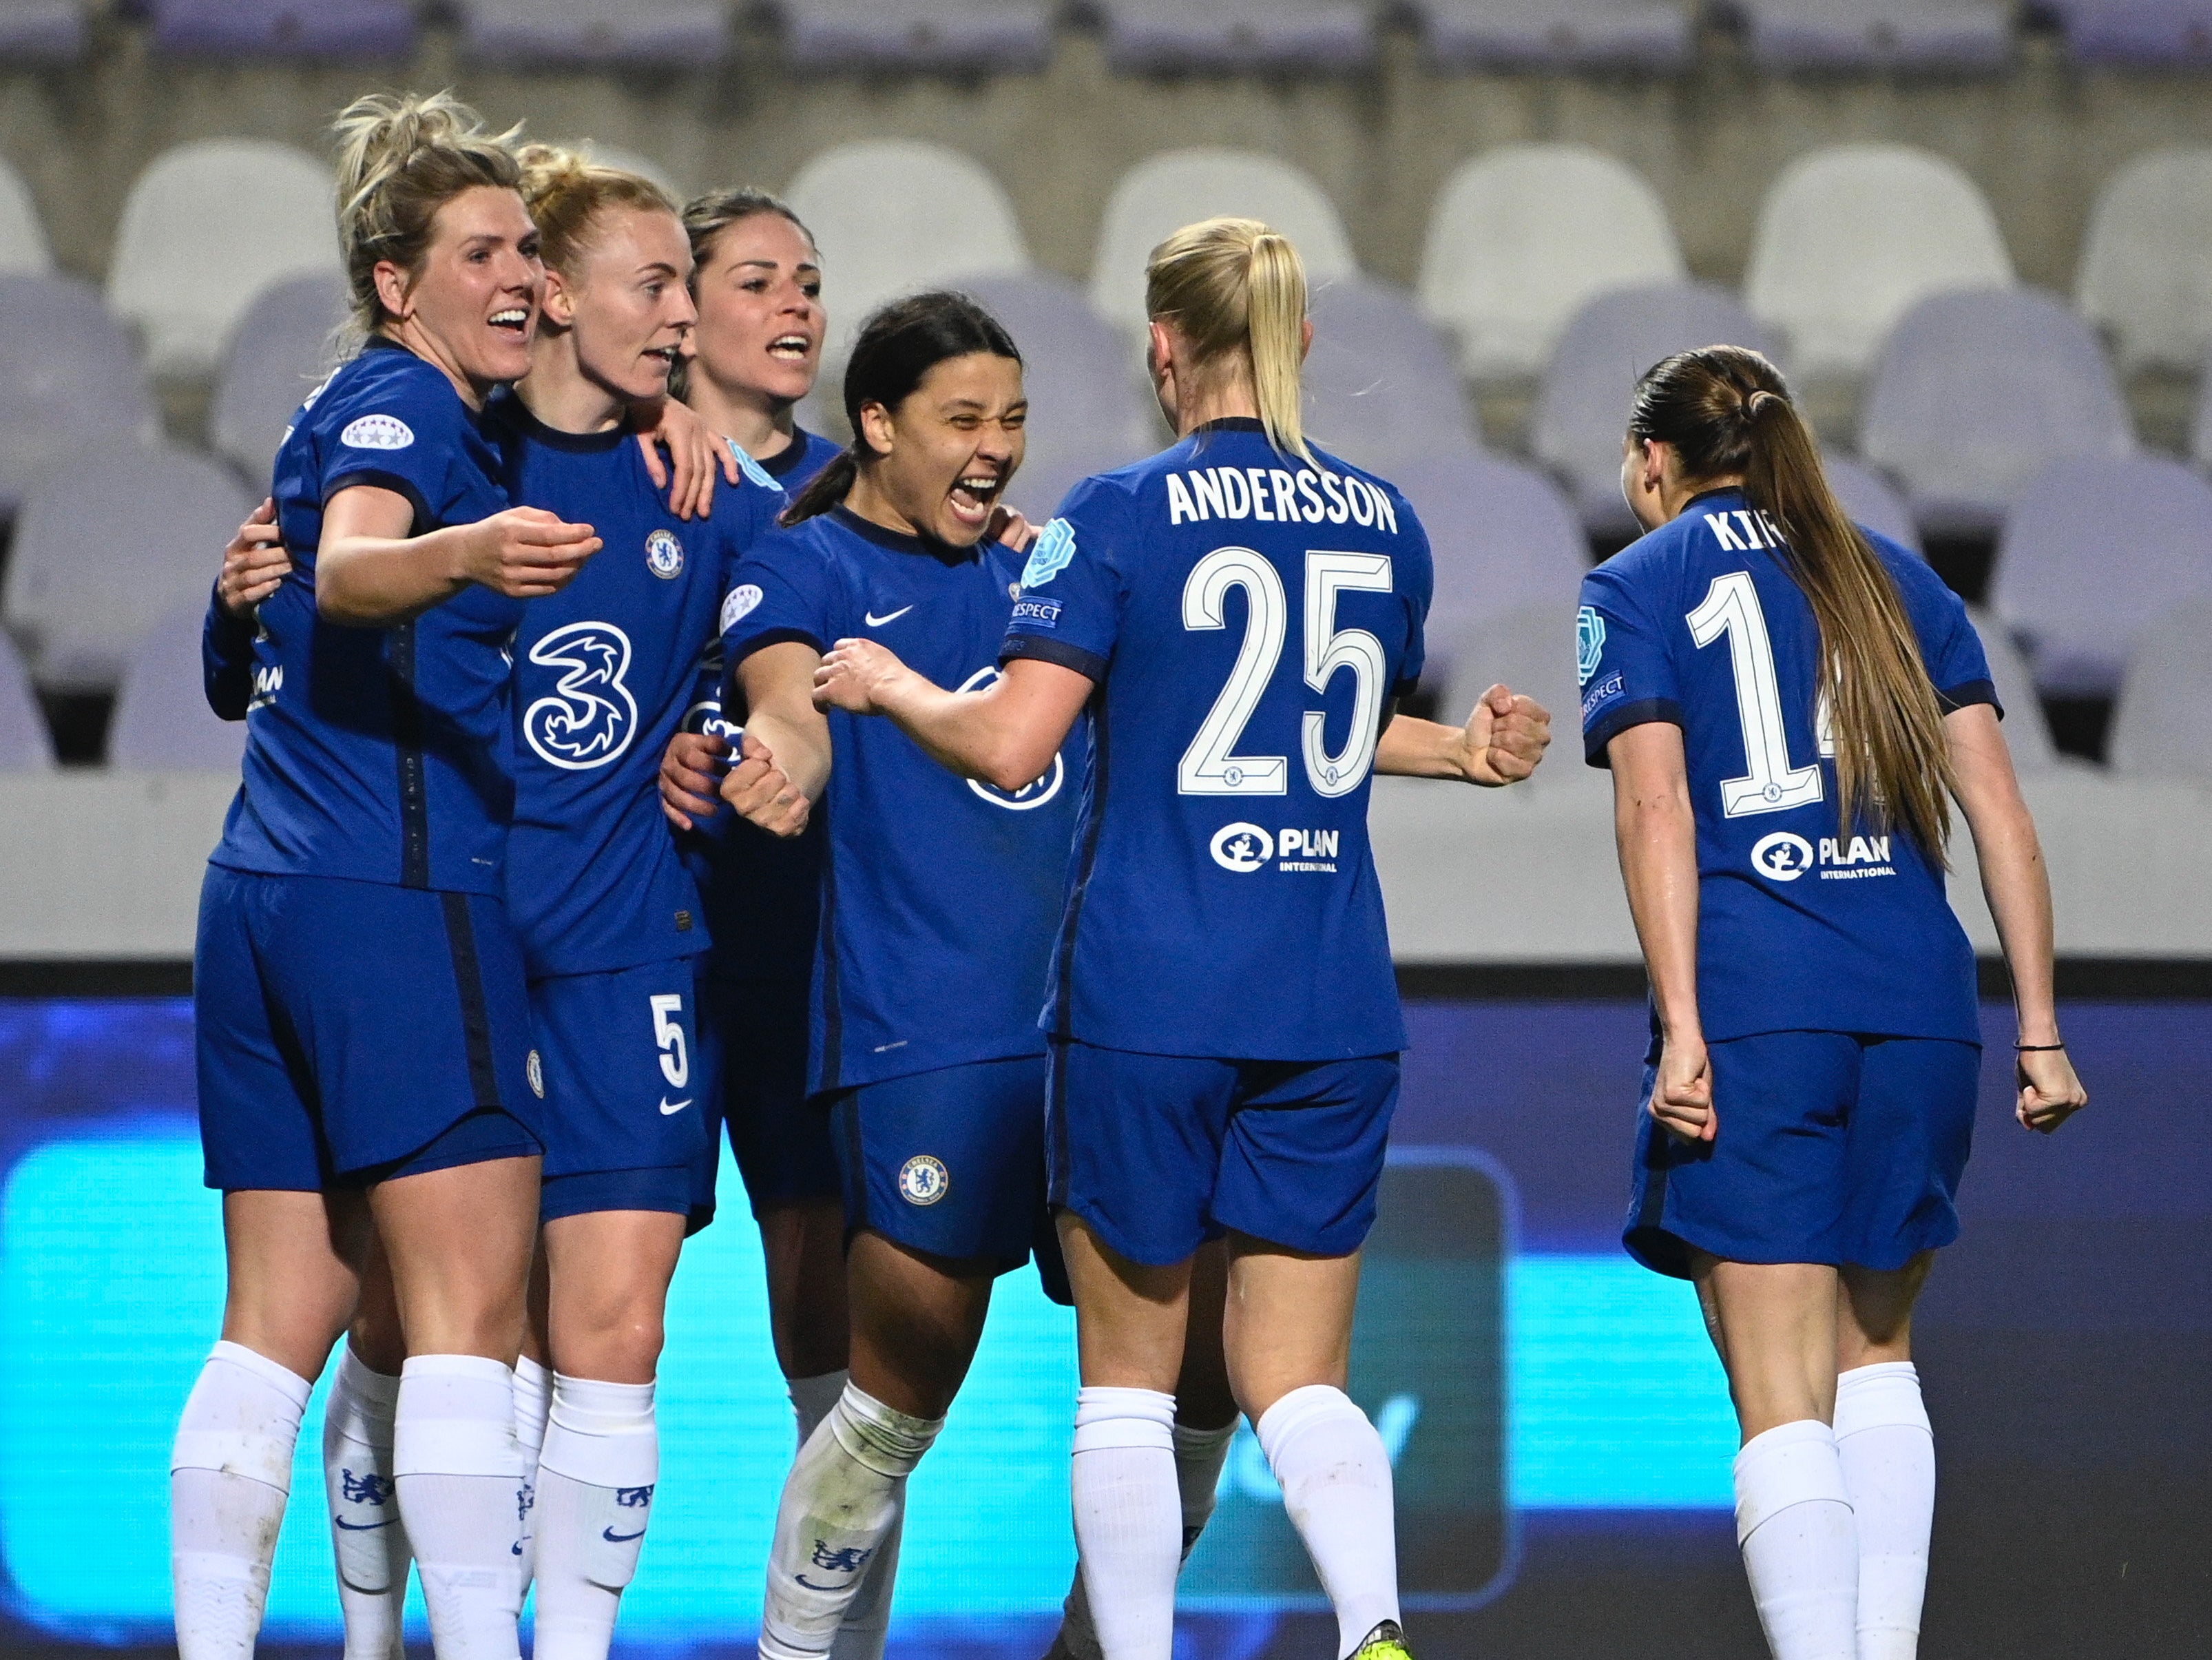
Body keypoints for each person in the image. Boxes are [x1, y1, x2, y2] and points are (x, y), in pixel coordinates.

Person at [807, 218, 1550, 1660]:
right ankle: (1374, 1621)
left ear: (1160, 346)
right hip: (1328, 993)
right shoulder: (1387, 519)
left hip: (1150, 989)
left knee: (1131, 1385)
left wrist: (895, 683)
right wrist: (1459, 749)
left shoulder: (1117, 511)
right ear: (1299, 342)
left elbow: (1017, 743)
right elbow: (1299, 719)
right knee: (1297, 1373)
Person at [1576, 346, 2088, 1660]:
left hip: (1761, 1005)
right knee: (1878, 1357)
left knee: (1782, 1402)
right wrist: (2039, 1028)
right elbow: (2002, 816)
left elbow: (1655, 807)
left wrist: (1683, 1027)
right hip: (1922, 1002)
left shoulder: (1634, 584)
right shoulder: (1897, 578)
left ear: (1653, 467)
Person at [178, 90, 601, 1660]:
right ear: (392, 277)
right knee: (468, 1328)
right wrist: (467, 553)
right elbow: (357, 565)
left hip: (259, 898)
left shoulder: (357, 411)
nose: (515, 276)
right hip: (395, 901)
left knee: (275, 1328)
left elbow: (258, 641)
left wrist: (236, 611)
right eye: (480, 250)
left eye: (527, 251)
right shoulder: (405, 415)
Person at [708, 291, 1094, 1660]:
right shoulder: (806, 565)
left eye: (1013, 418)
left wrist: (1448, 745)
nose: (994, 448)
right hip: (920, 1041)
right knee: (885, 1419)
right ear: (879, 424)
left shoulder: (1058, 572)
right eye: (962, 420)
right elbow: (786, 702)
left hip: (1100, 1047)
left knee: (1190, 1396)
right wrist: (783, 763)